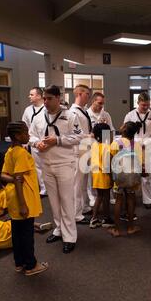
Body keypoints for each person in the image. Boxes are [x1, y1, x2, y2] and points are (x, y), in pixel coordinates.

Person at [29, 85, 83, 254]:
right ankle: (59, 230)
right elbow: (31, 135)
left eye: (49, 98)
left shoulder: (70, 116)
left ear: (58, 98)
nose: (45, 101)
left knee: (66, 200)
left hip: (64, 164)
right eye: (44, 98)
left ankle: (70, 237)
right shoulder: (38, 117)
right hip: (46, 164)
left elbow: (78, 136)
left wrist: (57, 140)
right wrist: (37, 142)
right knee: (53, 201)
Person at [1, 121, 48, 276]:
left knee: (17, 233)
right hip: (23, 198)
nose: (28, 135)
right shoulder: (21, 153)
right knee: (27, 234)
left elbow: (4, 175)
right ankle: (31, 265)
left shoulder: (10, 151)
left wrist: (14, 180)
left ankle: (19, 263)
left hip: (12, 197)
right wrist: (23, 204)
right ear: (17, 135)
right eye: (25, 132)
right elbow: (19, 177)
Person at [124, 92, 151, 208]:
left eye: (147, 105)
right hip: (134, 146)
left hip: (148, 146)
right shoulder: (130, 115)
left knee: (147, 175)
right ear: (138, 103)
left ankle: (148, 200)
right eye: (142, 105)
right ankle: (132, 199)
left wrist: (149, 141)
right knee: (133, 174)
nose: (145, 107)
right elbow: (125, 131)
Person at [109, 122, 143, 237]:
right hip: (132, 176)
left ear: (123, 130)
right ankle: (131, 227)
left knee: (118, 200)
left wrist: (111, 176)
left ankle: (117, 229)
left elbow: (111, 161)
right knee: (130, 200)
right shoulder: (136, 145)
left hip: (119, 176)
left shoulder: (115, 143)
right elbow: (139, 162)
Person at [70, 84, 93, 224]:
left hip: (86, 150)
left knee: (84, 183)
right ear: (79, 94)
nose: (88, 98)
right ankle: (76, 214)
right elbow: (76, 133)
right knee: (77, 184)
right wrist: (90, 135)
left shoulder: (83, 111)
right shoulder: (73, 113)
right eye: (87, 95)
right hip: (78, 152)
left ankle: (83, 207)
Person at [22, 87, 46, 196]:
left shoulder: (46, 108)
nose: (29, 96)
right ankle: (43, 188)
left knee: (47, 165)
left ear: (39, 96)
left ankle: (50, 186)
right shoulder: (28, 110)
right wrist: (25, 143)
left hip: (47, 141)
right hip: (33, 141)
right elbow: (25, 126)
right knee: (38, 166)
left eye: (32, 94)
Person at [89, 123, 114, 229]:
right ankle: (106, 218)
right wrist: (112, 178)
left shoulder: (94, 146)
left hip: (96, 175)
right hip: (104, 176)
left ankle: (94, 219)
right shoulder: (107, 147)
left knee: (99, 196)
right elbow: (107, 166)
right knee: (106, 197)